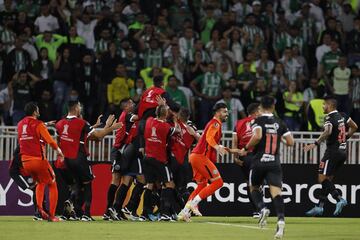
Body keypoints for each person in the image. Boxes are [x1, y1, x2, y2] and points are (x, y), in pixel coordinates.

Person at [55, 101, 123, 221]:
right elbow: (98, 136)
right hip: (79, 159)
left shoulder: (60, 123)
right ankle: (86, 214)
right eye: (80, 107)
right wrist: (111, 127)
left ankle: (69, 211)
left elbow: (87, 136)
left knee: (78, 185)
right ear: (76, 108)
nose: (81, 109)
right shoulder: (81, 123)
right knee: (87, 185)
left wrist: (96, 126)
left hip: (64, 162)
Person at [239, 95, 294, 239]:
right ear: (274, 107)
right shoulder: (279, 122)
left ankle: (262, 208)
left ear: (261, 107)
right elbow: (290, 142)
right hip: (274, 162)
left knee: (254, 187)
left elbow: (257, 136)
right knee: (277, 193)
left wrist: (245, 148)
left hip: (259, 161)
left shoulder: (258, 121)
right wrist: (278, 137)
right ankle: (281, 221)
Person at [304, 96, 358, 217]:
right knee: (328, 180)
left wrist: (315, 143)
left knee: (321, 179)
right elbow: (354, 127)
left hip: (332, 152)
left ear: (329, 106)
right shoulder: (343, 115)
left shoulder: (329, 117)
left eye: (324, 105)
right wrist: (345, 138)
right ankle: (320, 207)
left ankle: (339, 199)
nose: (323, 107)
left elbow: (328, 131)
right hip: (343, 152)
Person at [178, 102, 229, 222]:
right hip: (200, 157)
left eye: (227, 112)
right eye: (224, 111)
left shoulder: (213, 123)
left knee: (201, 185)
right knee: (218, 183)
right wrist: (217, 147)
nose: (226, 114)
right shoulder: (216, 123)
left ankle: (184, 213)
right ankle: (194, 203)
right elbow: (209, 138)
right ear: (217, 112)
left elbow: (207, 139)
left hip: (195, 156)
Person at [17, 102, 64, 222]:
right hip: (38, 160)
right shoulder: (38, 124)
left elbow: (29, 131)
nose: (39, 111)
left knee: (40, 183)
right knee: (52, 183)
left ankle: (39, 211)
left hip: (25, 162)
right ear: (34, 112)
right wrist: (58, 151)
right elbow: (50, 141)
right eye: (37, 110)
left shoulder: (20, 124)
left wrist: (45, 124)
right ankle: (52, 216)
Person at [141, 104, 178, 221]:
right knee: (169, 184)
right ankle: (165, 213)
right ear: (166, 114)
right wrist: (175, 119)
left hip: (147, 158)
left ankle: (145, 214)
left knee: (150, 185)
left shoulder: (149, 120)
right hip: (159, 159)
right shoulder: (166, 126)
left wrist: (163, 107)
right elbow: (176, 130)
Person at [232, 103, 261, 218]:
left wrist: (235, 157)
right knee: (257, 183)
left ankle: (256, 211)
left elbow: (234, 140)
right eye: (259, 110)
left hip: (244, 157)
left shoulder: (238, 123)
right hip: (256, 155)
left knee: (249, 183)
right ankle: (260, 208)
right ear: (256, 112)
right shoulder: (259, 122)